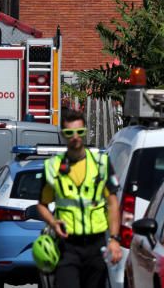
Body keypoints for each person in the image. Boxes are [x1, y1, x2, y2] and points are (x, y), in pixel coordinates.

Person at [36, 108, 122, 288]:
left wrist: (114, 239)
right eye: (69, 133)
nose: (75, 137)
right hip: (68, 245)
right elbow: (42, 205)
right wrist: (53, 223)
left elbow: (113, 203)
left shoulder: (101, 164)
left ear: (84, 133)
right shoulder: (52, 167)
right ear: (63, 135)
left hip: (96, 243)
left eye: (79, 132)